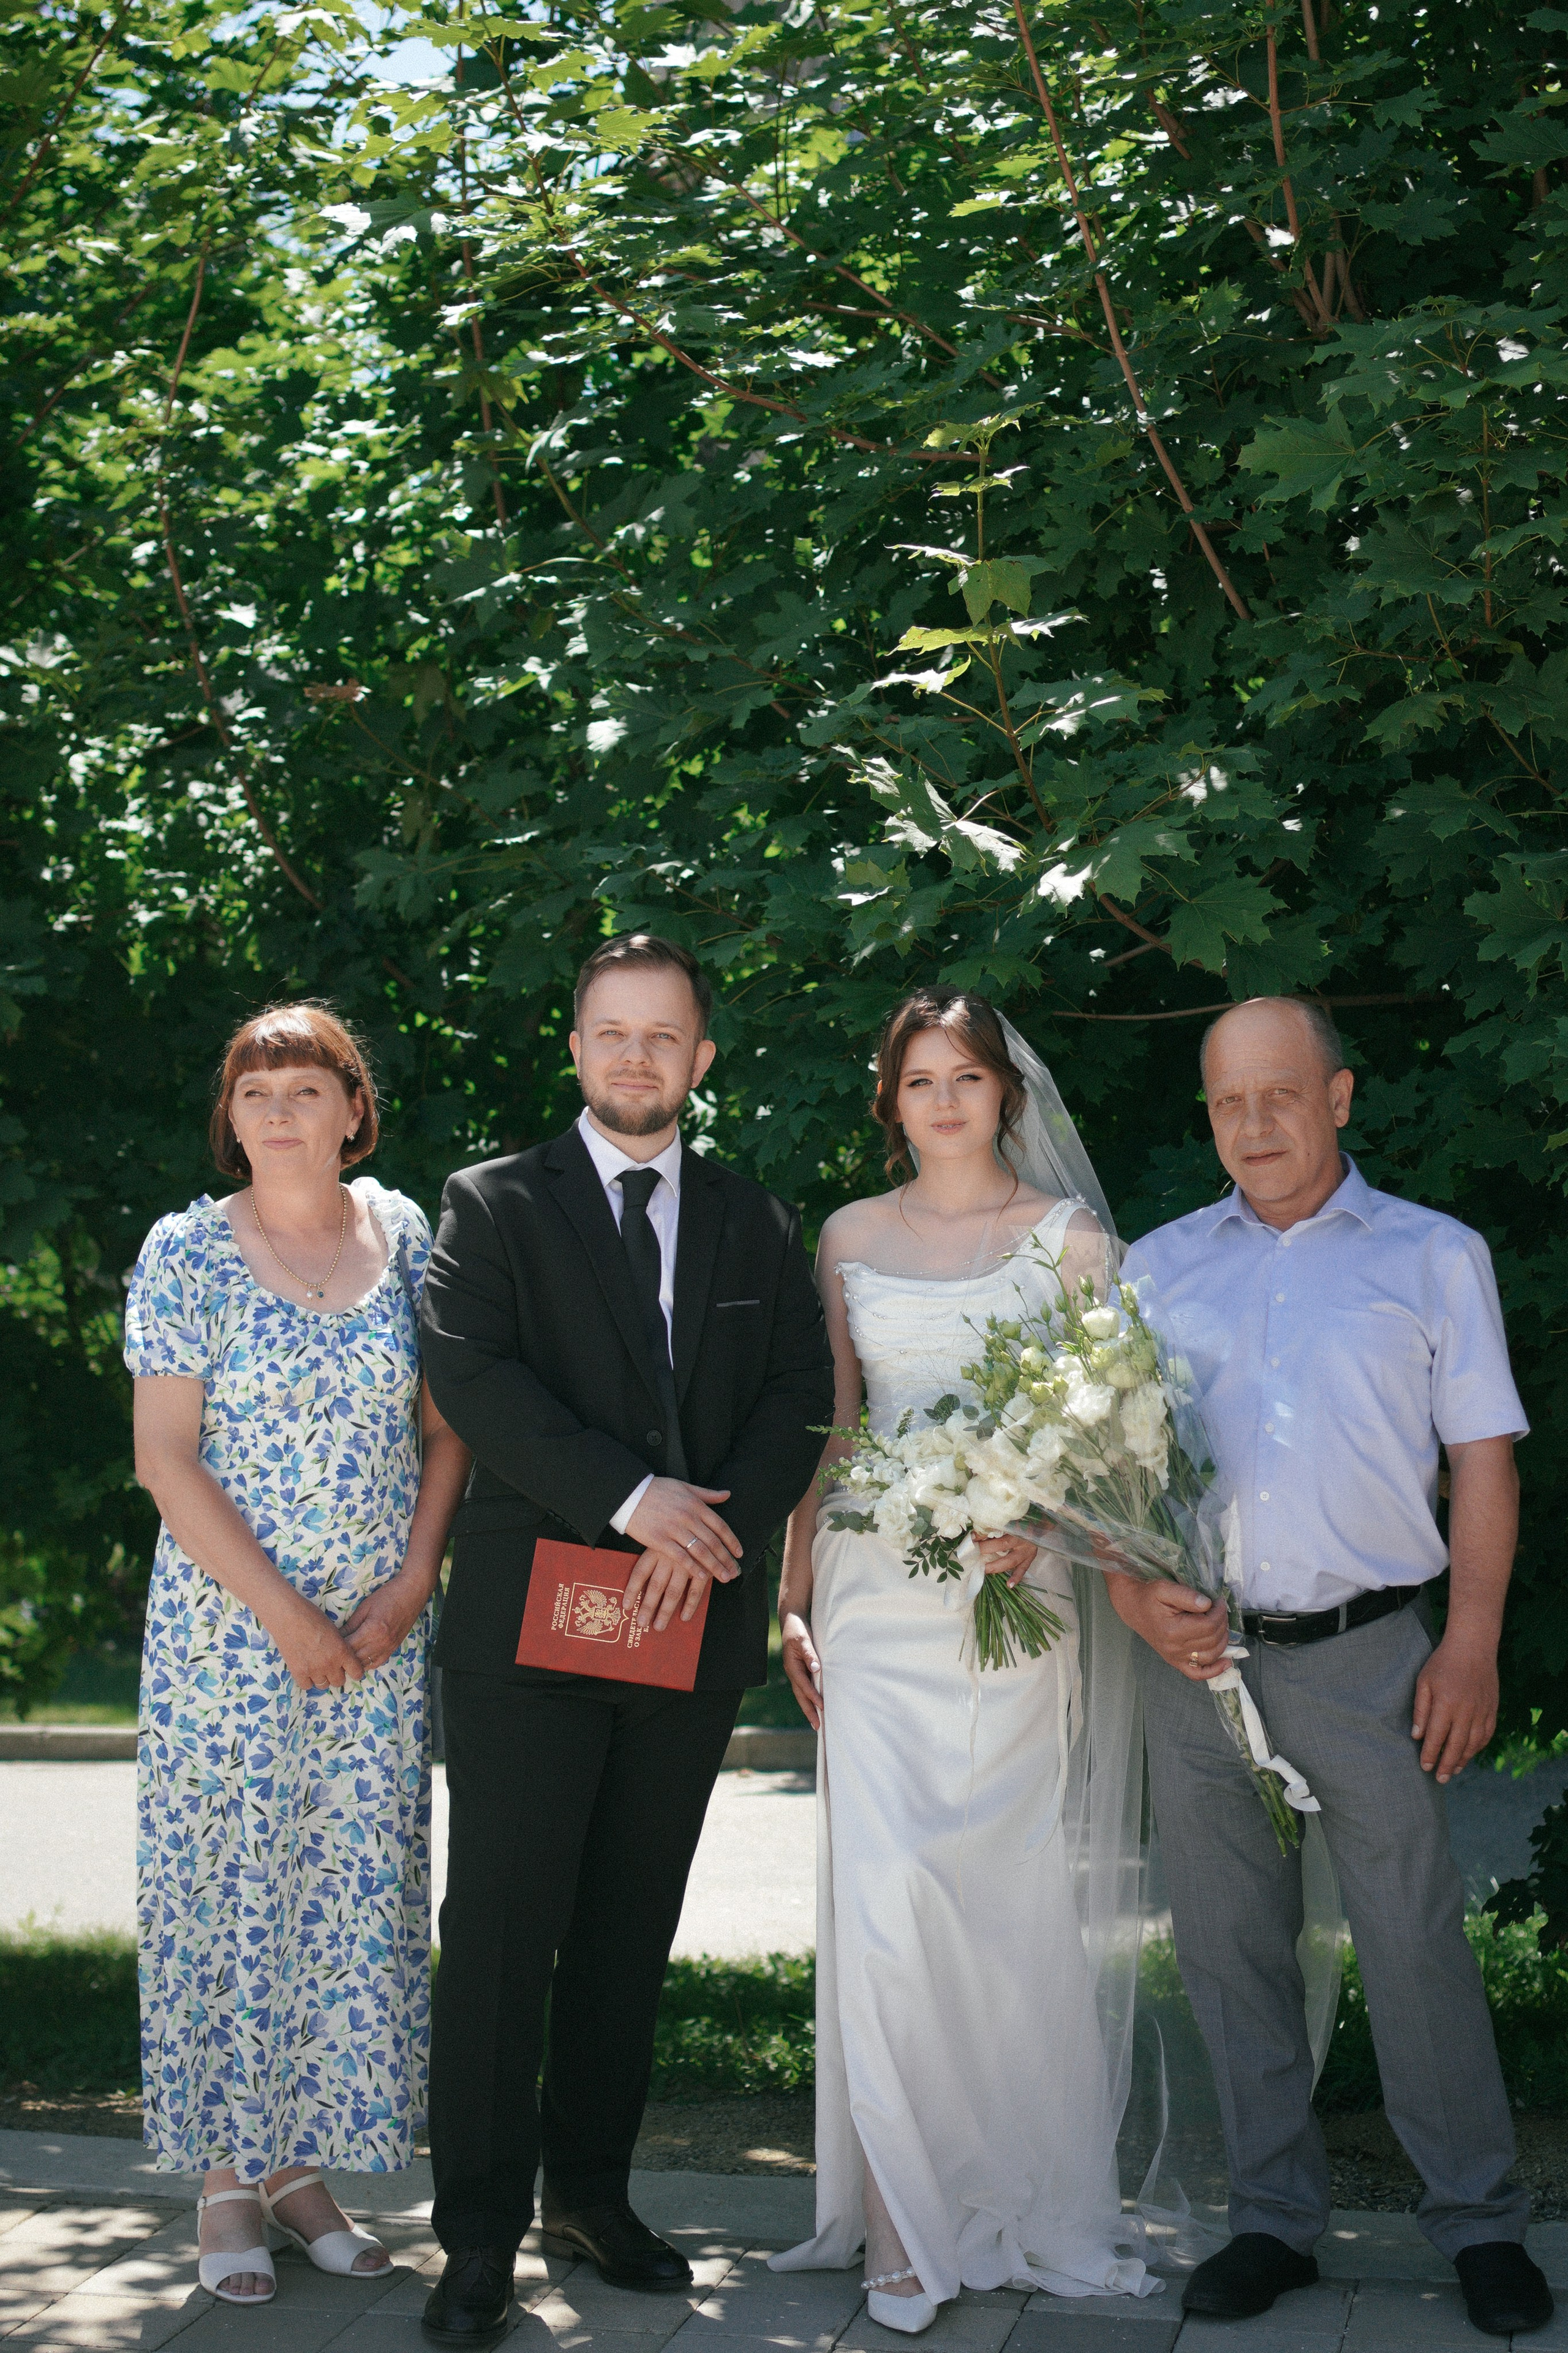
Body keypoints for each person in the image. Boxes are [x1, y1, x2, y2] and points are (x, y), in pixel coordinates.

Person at [1115, 994, 1553, 2341]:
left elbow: (1482, 1455)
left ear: (1339, 1097)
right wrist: (1134, 1596)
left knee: (1412, 1938)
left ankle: (1476, 2221)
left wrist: (1469, 1640)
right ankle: (1271, 2219)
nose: (1251, 1123)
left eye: (1278, 1095)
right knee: (1227, 1945)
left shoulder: (1433, 1257)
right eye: (1226, 1102)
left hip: (1369, 1652)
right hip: (1194, 1659)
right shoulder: (1153, 1266)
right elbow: (1099, 1473)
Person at [417, 933, 834, 2346]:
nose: (637, 1056)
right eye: (611, 1031)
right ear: (576, 1045)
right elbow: (472, 1375)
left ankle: (590, 2196)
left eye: (664, 1035)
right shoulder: (488, 1206)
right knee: (498, 1935)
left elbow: (797, 1390)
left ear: (700, 1058)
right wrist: (630, 1497)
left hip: (683, 1627)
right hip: (529, 1634)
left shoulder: (755, 1220)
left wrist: (702, 1532)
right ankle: (475, 2236)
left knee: (623, 1934)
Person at [770, 988, 1156, 2330]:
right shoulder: (845, 1237)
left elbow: (1117, 1445)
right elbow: (830, 1429)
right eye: (918, 1078)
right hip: (873, 1600)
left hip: (1012, 1602)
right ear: (891, 1099)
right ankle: (893, 2224)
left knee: (996, 1909)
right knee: (880, 1910)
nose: (942, 1099)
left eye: (965, 1076)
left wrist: (1041, 1518)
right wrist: (792, 1591)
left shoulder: (1069, 1244)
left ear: (1007, 1094)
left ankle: (1007, 2182)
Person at [126, 1002, 472, 2307]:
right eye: (253, 1090)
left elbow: (447, 1430)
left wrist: (412, 1580)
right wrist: (286, 1615)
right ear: (231, 1119)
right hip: (231, 1632)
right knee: (231, 1885)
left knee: (344, 1896)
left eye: (303, 1086)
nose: (277, 1108)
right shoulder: (187, 1253)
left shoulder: (410, 1237)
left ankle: (299, 2171)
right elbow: (166, 1457)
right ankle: (225, 2173)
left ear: (349, 1110)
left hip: (380, 1632)